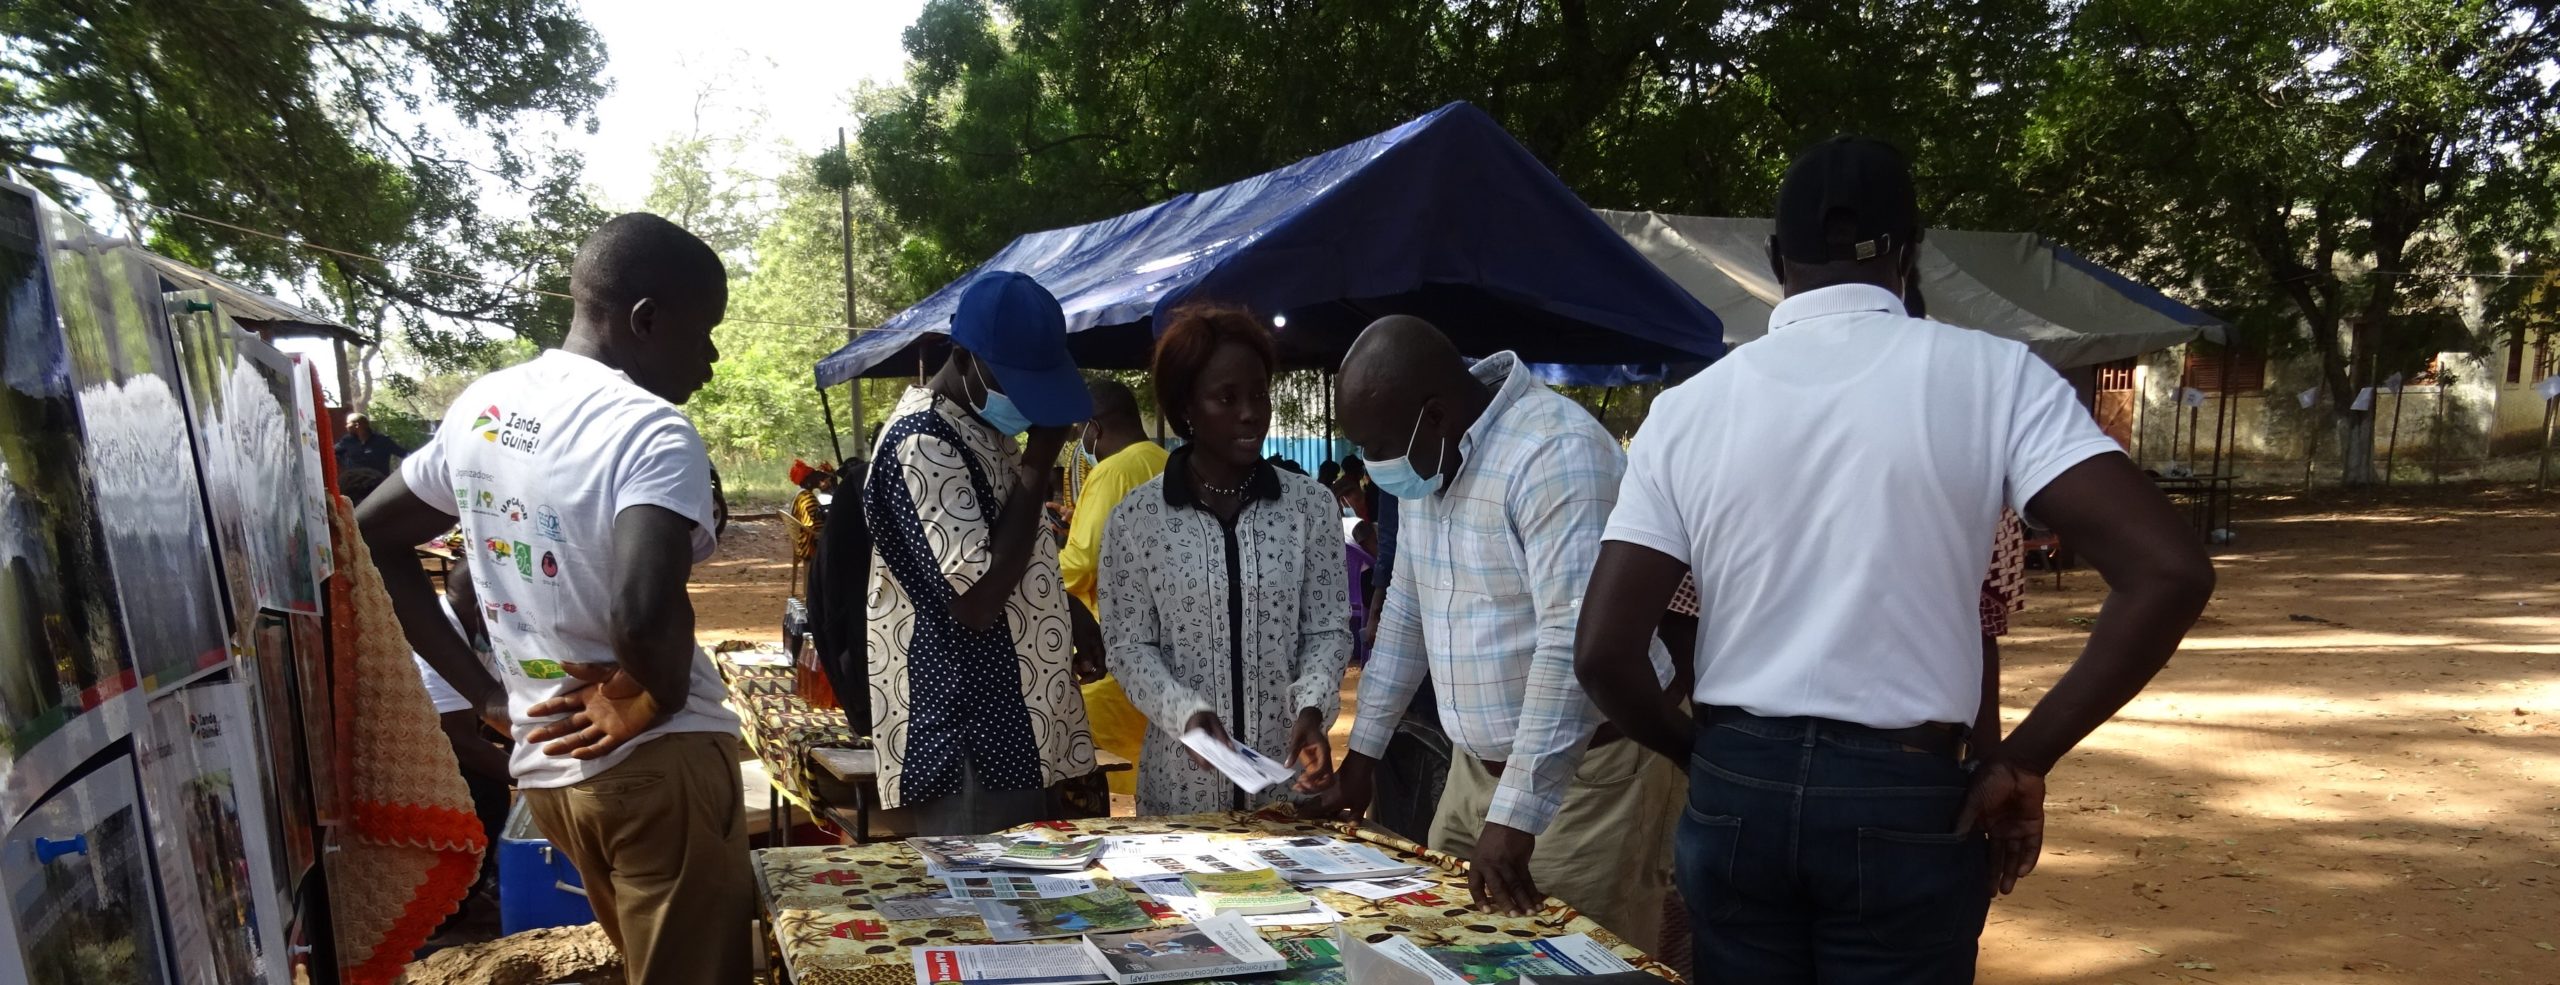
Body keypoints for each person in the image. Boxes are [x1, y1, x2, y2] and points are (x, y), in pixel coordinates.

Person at [1572, 136, 2214, 984]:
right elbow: (2169, 570)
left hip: (1739, 788)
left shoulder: (1690, 409)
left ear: (1775, 259)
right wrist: (2020, 758)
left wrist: (1701, 755)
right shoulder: (1994, 376)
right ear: (1913, 253)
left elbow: (1602, 653)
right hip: (1906, 793)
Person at [358, 212, 753, 984]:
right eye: (704, 330)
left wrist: (487, 694)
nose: (710, 358)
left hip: (549, 770)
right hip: (652, 765)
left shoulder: (486, 406)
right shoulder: (650, 431)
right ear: (645, 320)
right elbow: (645, 610)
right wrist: (652, 697)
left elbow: (373, 533)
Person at [1317, 316, 1684, 953]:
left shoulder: (1557, 452)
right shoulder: (1433, 455)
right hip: (1474, 776)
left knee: (1579, 961)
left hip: (1584, 783)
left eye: (1379, 446)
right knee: (1448, 956)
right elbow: (1407, 610)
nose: (1373, 467)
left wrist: (1516, 814)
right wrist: (1363, 760)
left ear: (1433, 414)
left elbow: (1570, 648)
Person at [864, 270, 1098, 835]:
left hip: (1015, 730)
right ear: (964, 357)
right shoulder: (923, 442)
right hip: (969, 743)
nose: (1027, 403)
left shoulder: (980, 433)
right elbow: (976, 602)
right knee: (986, 911)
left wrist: (1069, 616)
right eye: (1013, 381)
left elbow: (1011, 556)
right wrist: (1038, 463)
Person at [1097, 305, 1352, 815]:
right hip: (1181, 791)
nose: (1251, 413)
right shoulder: (1137, 519)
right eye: (1226, 397)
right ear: (1186, 408)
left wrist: (1312, 708)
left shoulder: (1309, 507)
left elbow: (1327, 630)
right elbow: (1129, 646)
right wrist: (1184, 712)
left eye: (1259, 394)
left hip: (1284, 788)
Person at [1059, 377, 1168, 798]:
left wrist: (1029, 570)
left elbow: (1082, 562)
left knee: (1100, 775)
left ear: (1094, 428)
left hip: (1115, 648)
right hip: (1168, 647)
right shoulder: (1165, 461)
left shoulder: (1111, 472)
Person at [336, 411, 407, 475]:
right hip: (356, 485)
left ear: (356, 425)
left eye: (348, 423)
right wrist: (346, 463)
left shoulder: (382, 441)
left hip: (379, 484)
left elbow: (405, 454)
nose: (346, 426)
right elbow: (331, 453)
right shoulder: (347, 441)